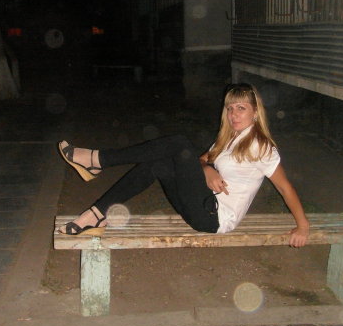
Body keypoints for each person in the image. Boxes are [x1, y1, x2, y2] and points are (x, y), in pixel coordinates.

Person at [57, 83, 309, 247]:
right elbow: (201, 160)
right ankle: (97, 214)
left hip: (214, 217)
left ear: (255, 112)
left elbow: (285, 187)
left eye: (241, 108)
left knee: (179, 143)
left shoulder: (261, 146)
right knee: (157, 164)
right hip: (200, 205)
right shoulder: (229, 139)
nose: (234, 114)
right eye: (230, 108)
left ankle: (99, 160)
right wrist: (207, 170)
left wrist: (303, 227)